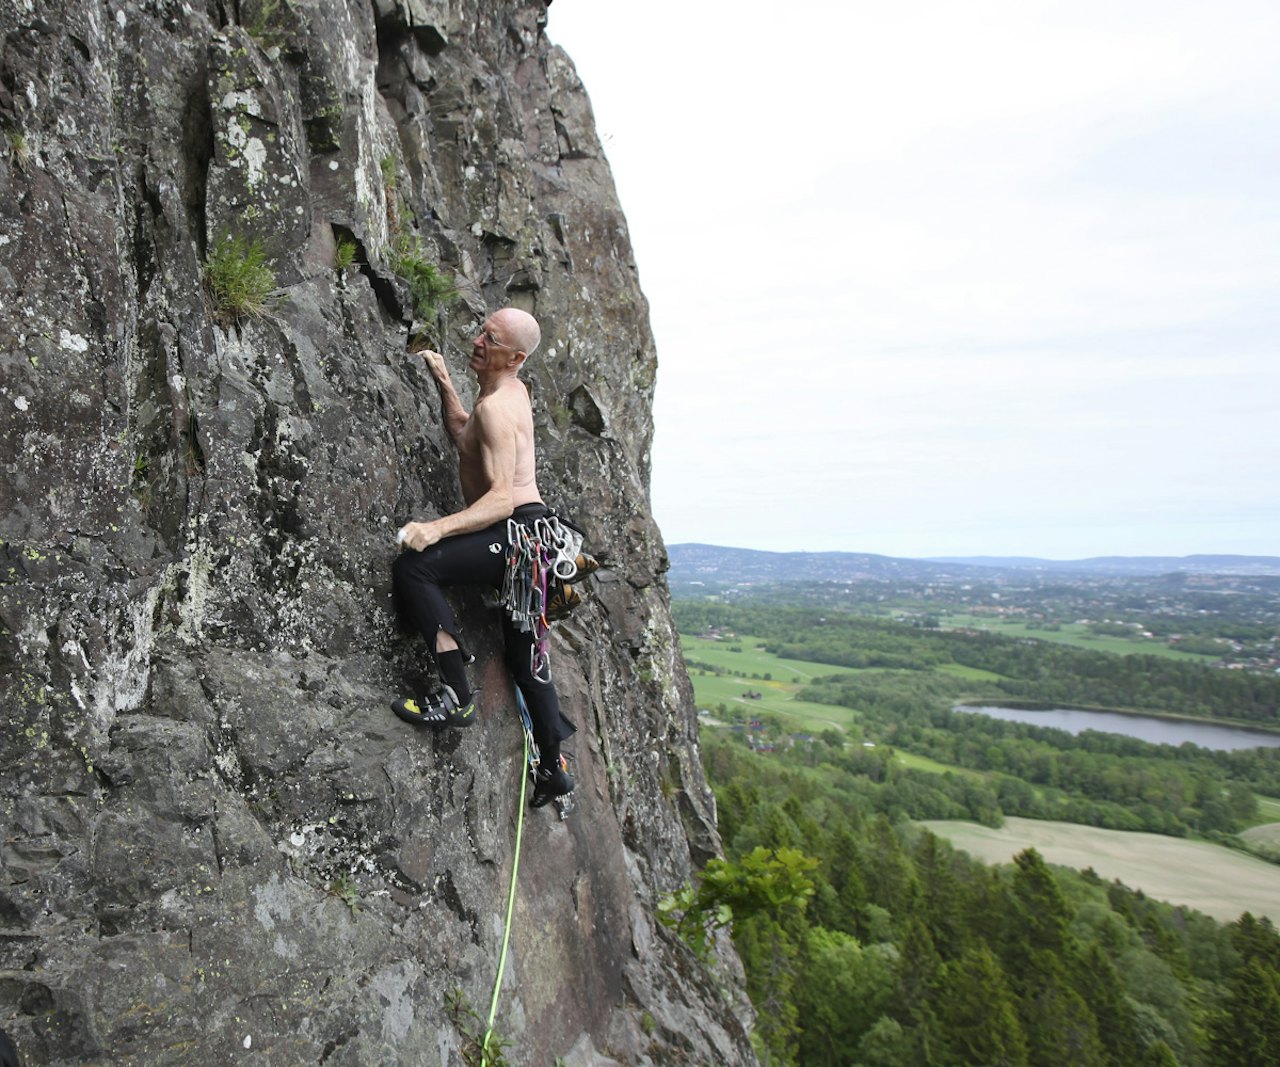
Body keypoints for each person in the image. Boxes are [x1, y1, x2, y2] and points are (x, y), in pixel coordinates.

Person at [391, 307, 575, 808]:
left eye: (488, 338)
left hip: (514, 533)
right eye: (480, 330)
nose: (476, 340)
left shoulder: (498, 406)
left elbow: (499, 498)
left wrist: (434, 529)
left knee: (416, 565)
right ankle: (554, 770)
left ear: (514, 356)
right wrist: (446, 383)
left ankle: (456, 697)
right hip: (530, 540)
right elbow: (468, 438)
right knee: (526, 661)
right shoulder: (504, 395)